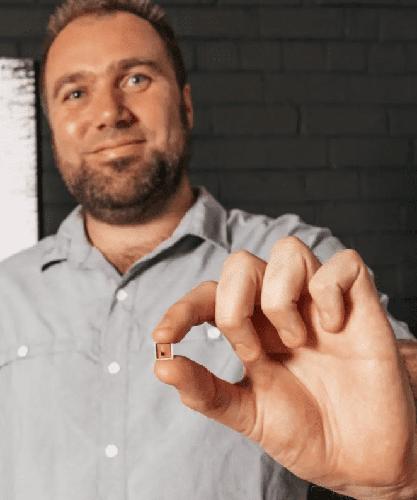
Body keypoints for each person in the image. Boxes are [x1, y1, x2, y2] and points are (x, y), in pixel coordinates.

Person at [0, 0, 415, 498]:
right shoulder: (6, 293)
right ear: (52, 128)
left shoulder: (298, 264)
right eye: (75, 93)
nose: (108, 113)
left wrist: (405, 466)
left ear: (187, 105)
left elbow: (396, 385)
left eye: (136, 79)